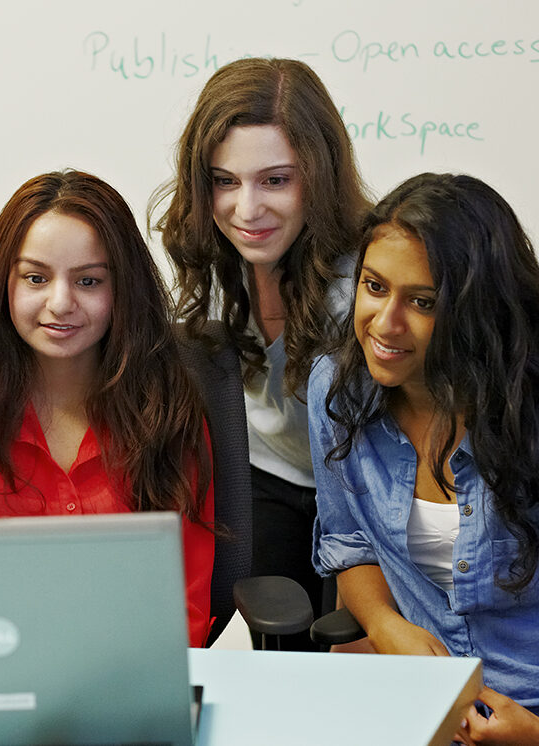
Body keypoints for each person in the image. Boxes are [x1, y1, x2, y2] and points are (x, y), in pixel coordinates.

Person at [309, 172, 539, 744]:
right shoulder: (337, 395)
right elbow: (349, 543)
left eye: (422, 302)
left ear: (473, 311)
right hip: (438, 714)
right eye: (374, 286)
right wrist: (386, 625)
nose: (385, 324)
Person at [0, 170, 215, 646]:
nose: (60, 302)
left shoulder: (167, 417)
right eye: (35, 277)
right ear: (4, 284)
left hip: (126, 692)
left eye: (88, 280)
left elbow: (183, 607)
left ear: (122, 289)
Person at [151, 57, 371, 649]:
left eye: (276, 180)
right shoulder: (214, 258)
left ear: (319, 177)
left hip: (359, 489)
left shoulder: (367, 285)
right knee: (254, 644)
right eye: (225, 181)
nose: (246, 210)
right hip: (263, 478)